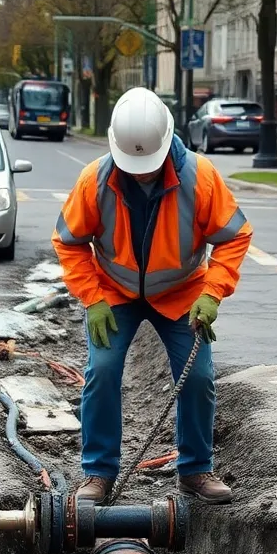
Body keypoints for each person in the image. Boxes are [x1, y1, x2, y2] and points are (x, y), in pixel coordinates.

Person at [52, 87, 252, 506]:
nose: (140, 172)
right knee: (102, 372)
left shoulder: (200, 177)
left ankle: (195, 469)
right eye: (133, 165)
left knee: (197, 377)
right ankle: (98, 472)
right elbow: (69, 242)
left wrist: (213, 293)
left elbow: (235, 237)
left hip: (182, 293)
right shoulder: (95, 180)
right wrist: (93, 298)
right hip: (113, 294)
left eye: (148, 164)